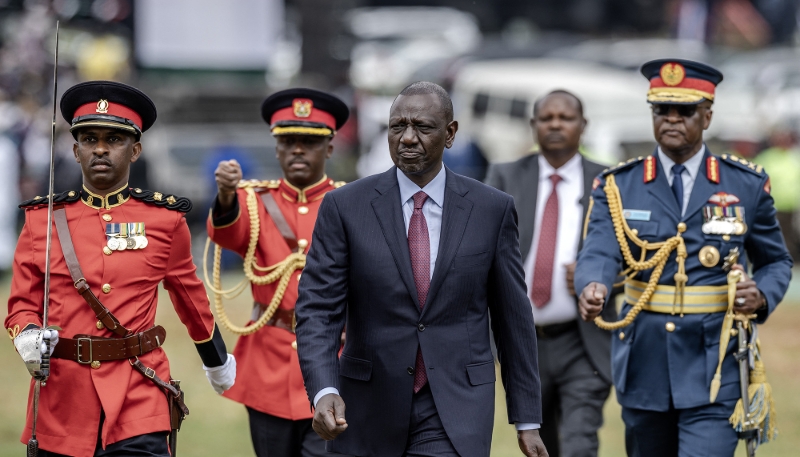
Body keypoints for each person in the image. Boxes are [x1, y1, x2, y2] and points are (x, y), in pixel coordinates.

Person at [294, 81, 548, 457]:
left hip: (456, 409)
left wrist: (527, 419)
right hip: (366, 407)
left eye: (423, 127)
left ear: (450, 134)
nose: (407, 138)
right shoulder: (345, 207)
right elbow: (318, 309)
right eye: (398, 126)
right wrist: (325, 390)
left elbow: (513, 318)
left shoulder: (491, 210)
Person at [4, 81, 236, 457]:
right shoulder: (40, 220)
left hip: (138, 393)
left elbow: (191, 300)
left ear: (135, 150)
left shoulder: (165, 220)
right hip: (62, 400)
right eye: (90, 138)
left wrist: (217, 363)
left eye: (114, 139)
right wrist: (28, 334)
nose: (100, 148)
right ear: (75, 150)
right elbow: (21, 305)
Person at [575, 59, 792, 456]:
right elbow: (600, 249)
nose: (672, 120)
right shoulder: (618, 185)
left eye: (685, 111)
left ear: (707, 116)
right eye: (662, 111)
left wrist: (760, 295)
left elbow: (777, 261)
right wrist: (594, 284)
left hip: (715, 367)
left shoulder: (744, 183)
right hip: (644, 365)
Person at [207, 88, 349, 457]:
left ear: (330, 148)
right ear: (276, 149)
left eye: (309, 141)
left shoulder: (350, 204)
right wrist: (225, 196)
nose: (297, 150)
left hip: (335, 364)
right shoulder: (252, 201)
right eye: (288, 141)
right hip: (269, 364)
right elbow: (226, 233)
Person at [485, 89, 613, 457]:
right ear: (533, 125)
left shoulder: (608, 181)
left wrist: (600, 280)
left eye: (566, 117)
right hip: (521, 343)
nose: (555, 124)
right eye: (547, 118)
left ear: (583, 125)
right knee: (541, 446)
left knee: (578, 442)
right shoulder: (506, 176)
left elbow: (631, 259)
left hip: (581, 340)